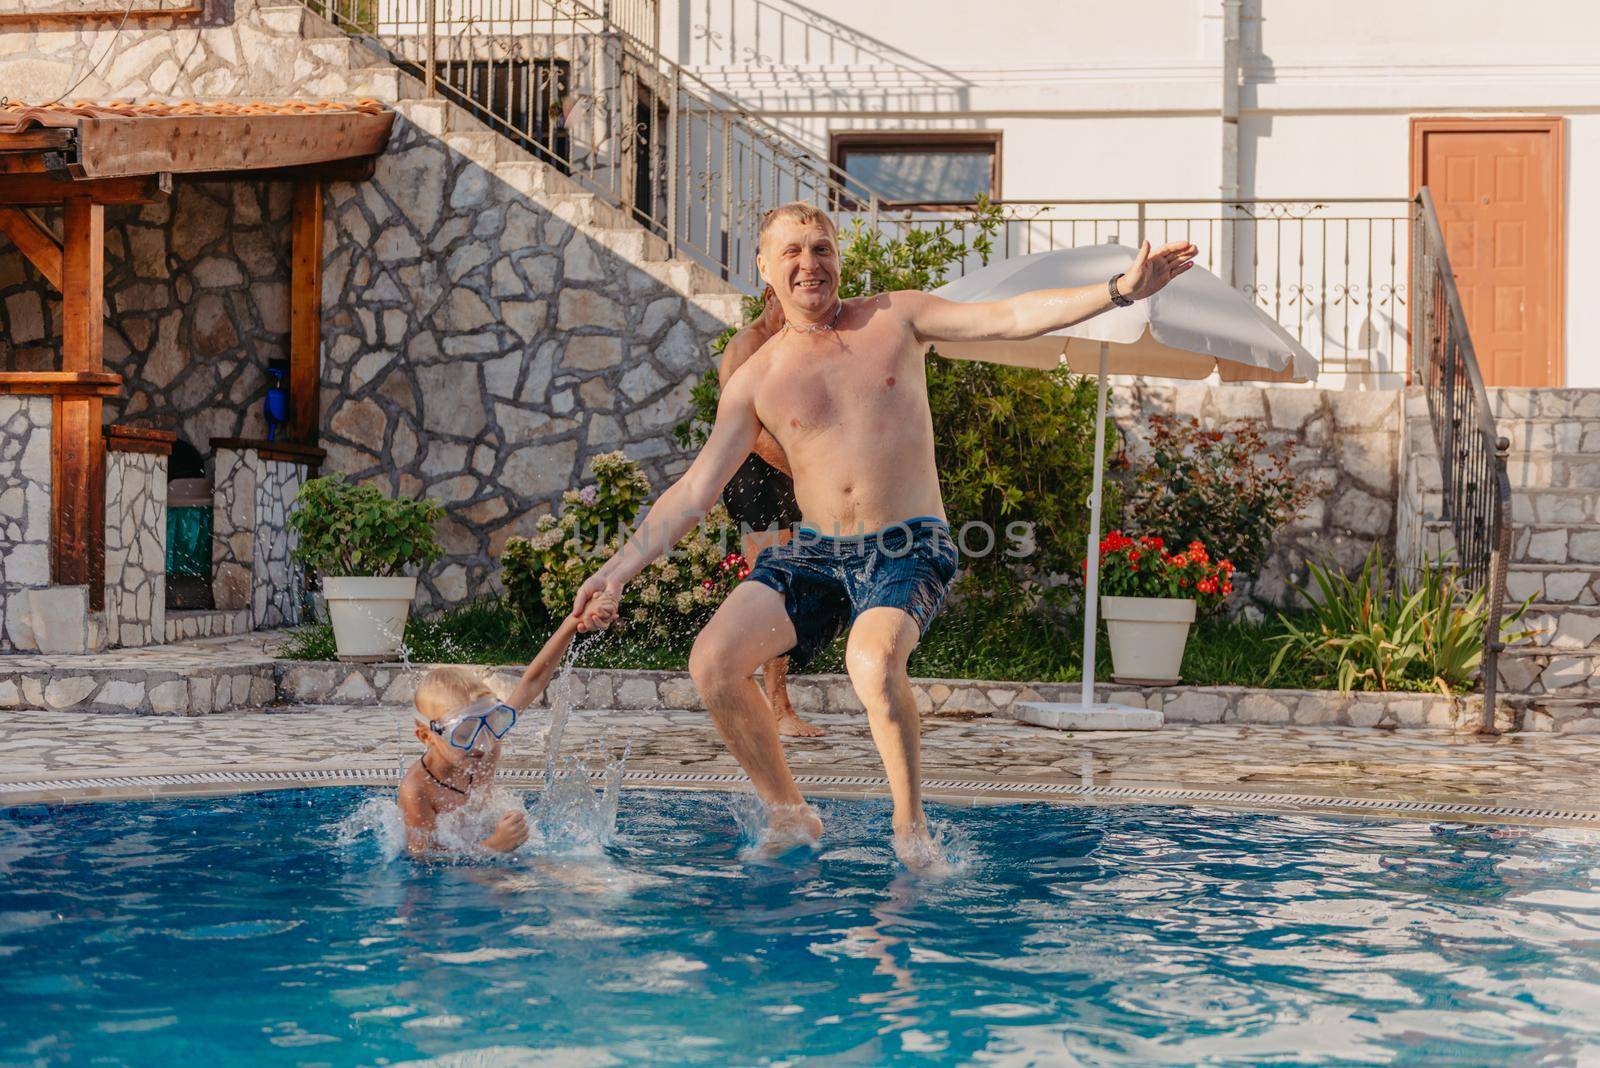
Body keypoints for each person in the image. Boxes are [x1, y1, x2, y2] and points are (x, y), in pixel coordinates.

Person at [572, 202, 1196, 860]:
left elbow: (1008, 315)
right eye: (792, 253)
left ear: (838, 256)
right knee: (714, 663)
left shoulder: (893, 318)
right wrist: (614, 571)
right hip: (815, 552)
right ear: (764, 268)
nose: (809, 264)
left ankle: (909, 828)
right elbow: (695, 490)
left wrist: (1119, 291)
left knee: (870, 663)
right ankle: (790, 815)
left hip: (906, 543)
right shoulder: (756, 378)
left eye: (821, 249)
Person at [398, 609, 608, 857]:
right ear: (427, 736)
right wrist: (493, 846)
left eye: (491, 725)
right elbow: (422, 858)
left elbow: (533, 681)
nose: (482, 745)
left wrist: (572, 623)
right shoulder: (418, 789)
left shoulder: (486, 743)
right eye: (465, 734)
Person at [717, 285, 823, 738]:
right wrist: (804, 468)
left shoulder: (802, 342)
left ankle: (748, 687)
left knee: (797, 584)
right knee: (774, 588)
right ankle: (777, 708)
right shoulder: (746, 345)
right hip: (755, 477)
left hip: (795, 474)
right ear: (767, 295)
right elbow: (745, 428)